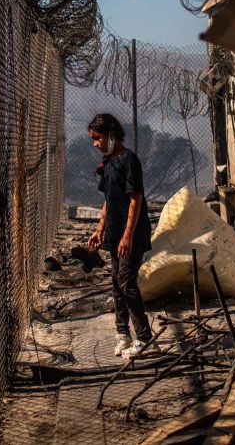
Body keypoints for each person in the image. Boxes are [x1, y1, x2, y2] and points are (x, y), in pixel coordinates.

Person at [86, 113, 154, 359]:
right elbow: (108, 202)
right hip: (114, 233)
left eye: (98, 138)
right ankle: (122, 334)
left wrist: (128, 236)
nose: (96, 143)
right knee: (116, 283)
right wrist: (99, 230)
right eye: (93, 139)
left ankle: (145, 337)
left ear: (112, 135)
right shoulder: (108, 163)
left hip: (132, 234)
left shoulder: (129, 161)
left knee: (126, 282)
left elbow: (135, 199)